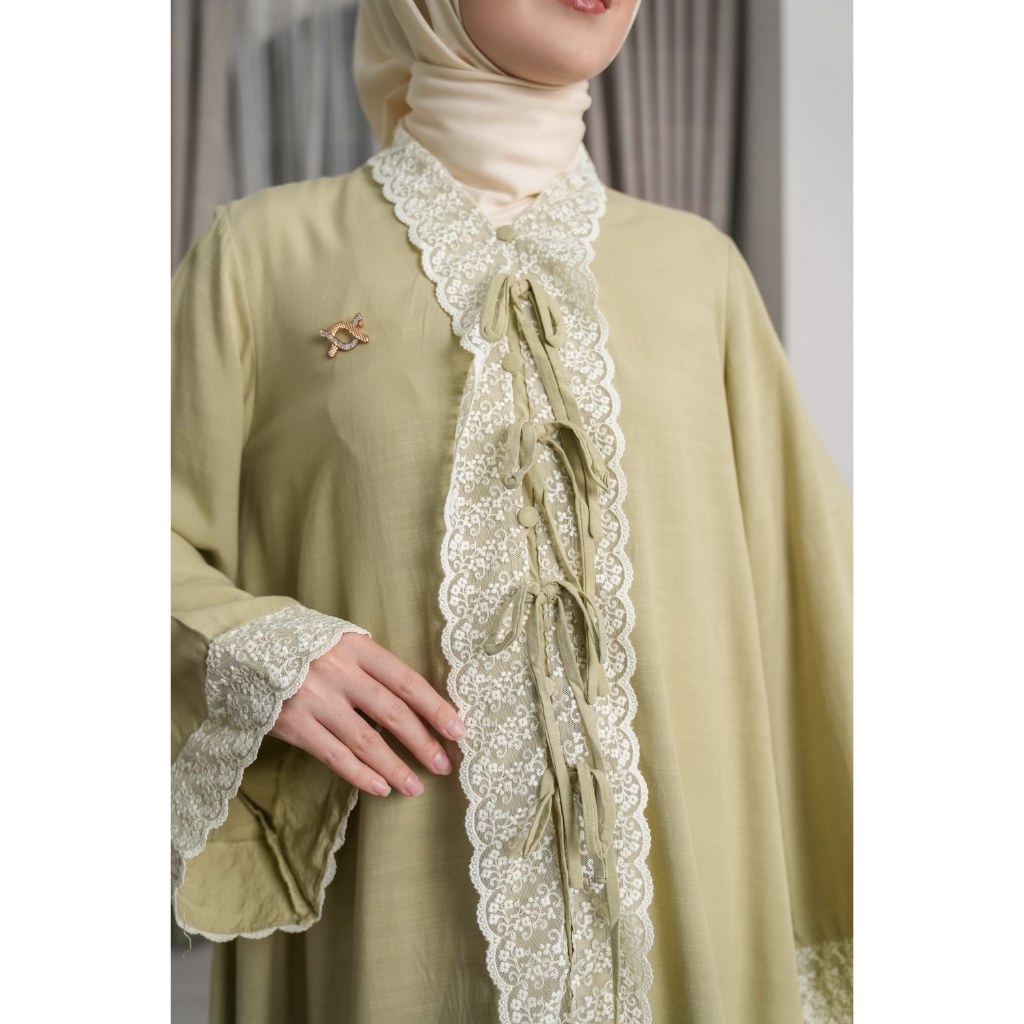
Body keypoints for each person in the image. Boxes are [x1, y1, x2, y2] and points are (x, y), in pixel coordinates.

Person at [171, 0, 853, 1021]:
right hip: (391, 939)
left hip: (693, 935)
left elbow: (814, 609)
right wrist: (251, 649)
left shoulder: (700, 272)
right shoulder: (261, 257)